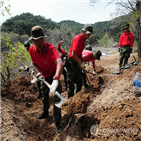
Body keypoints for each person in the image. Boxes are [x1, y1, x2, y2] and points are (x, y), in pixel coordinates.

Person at [28, 25, 63, 133]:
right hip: (43, 75)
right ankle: (45, 112)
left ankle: (57, 121)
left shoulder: (50, 48)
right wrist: (38, 73)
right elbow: (34, 64)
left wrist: (56, 78)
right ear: (33, 40)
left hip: (53, 74)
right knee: (44, 95)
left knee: (57, 98)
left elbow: (59, 62)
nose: (39, 42)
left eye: (41, 39)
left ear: (44, 39)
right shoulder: (31, 50)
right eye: (36, 40)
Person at [66, 23, 93, 98]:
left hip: (77, 60)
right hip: (71, 61)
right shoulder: (78, 38)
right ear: (83, 32)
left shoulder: (83, 40)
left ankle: (76, 98)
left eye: (89, 34)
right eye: (87, 34)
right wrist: (80, 63)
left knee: (79, 81)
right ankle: (70, 99)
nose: (88, 36)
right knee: (71, 82)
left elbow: (79, 53)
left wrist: (82, 62)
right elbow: (73, 54)